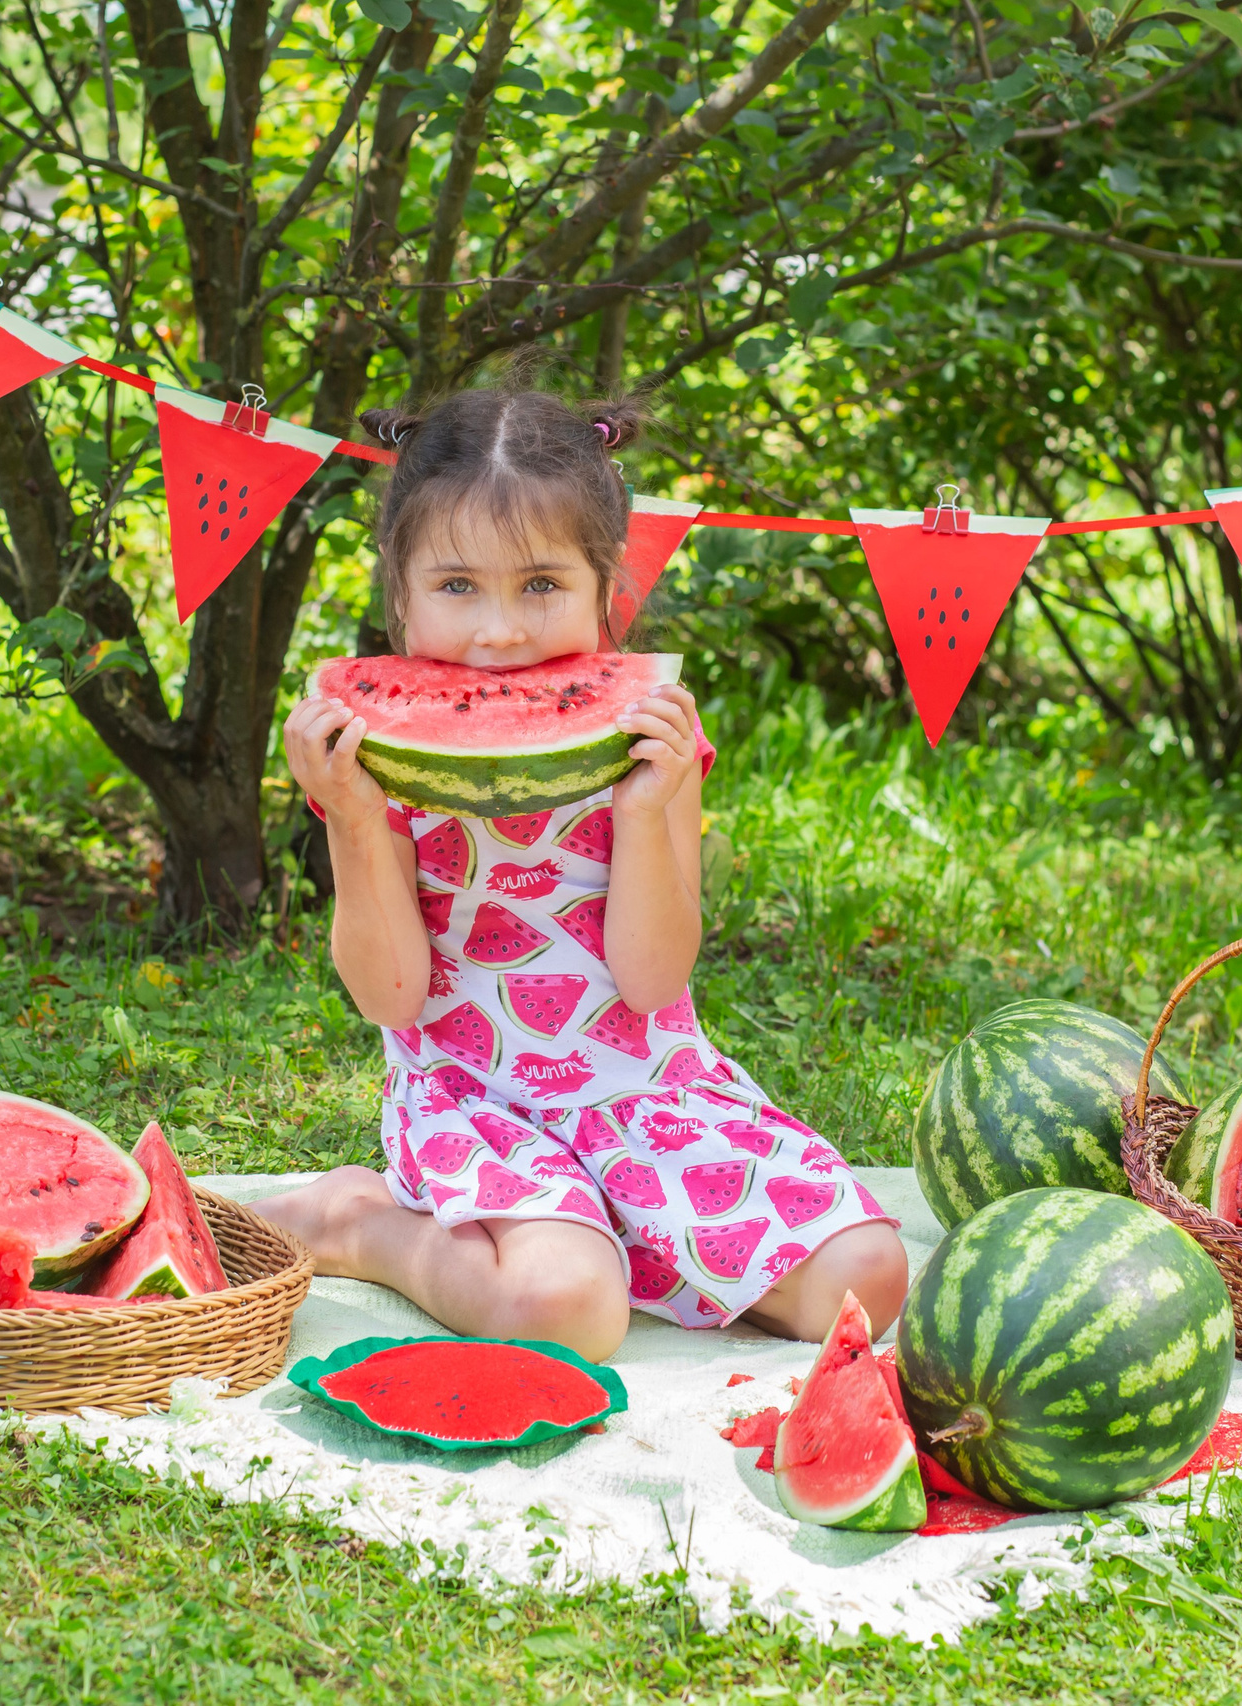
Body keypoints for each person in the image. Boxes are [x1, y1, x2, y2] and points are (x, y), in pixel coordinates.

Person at [257, 383, 907, 1362]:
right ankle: (361, 1223)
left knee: (869, 1277)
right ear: (398, 594)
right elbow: (391, 995)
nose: (502, 631)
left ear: (608, 588)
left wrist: (645, 812)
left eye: (541, 585)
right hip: (473, 1094)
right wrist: (350, 816)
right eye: (457, 586)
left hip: (646, 1086)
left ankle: (625, 1228)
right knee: (566, 1310)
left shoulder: (650, 739)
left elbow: (651, 980)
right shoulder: (379, 763)